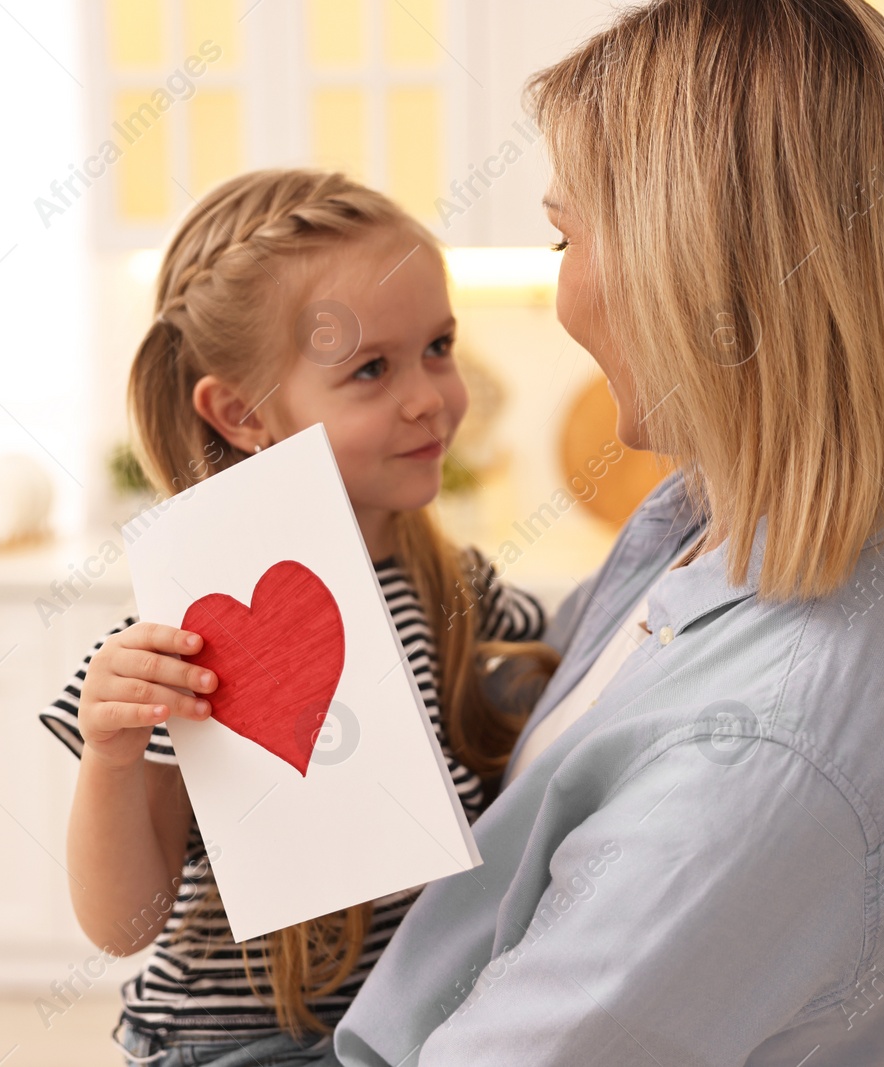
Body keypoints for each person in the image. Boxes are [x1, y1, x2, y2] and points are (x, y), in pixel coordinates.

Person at [323, 1, 884, 1063]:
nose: (561, 283)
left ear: (694, 269)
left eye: (566, 234)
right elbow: (575, 715)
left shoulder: (762, 749)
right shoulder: (707, 526)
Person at [38, 168, 555, 1066]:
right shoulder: (181, 638)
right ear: (243, 414)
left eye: (439, 345)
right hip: (236, 1048)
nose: (431, 394)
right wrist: (112, 754)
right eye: (370, 369)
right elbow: (122, 924)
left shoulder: (459, 587)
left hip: (425, 1034)